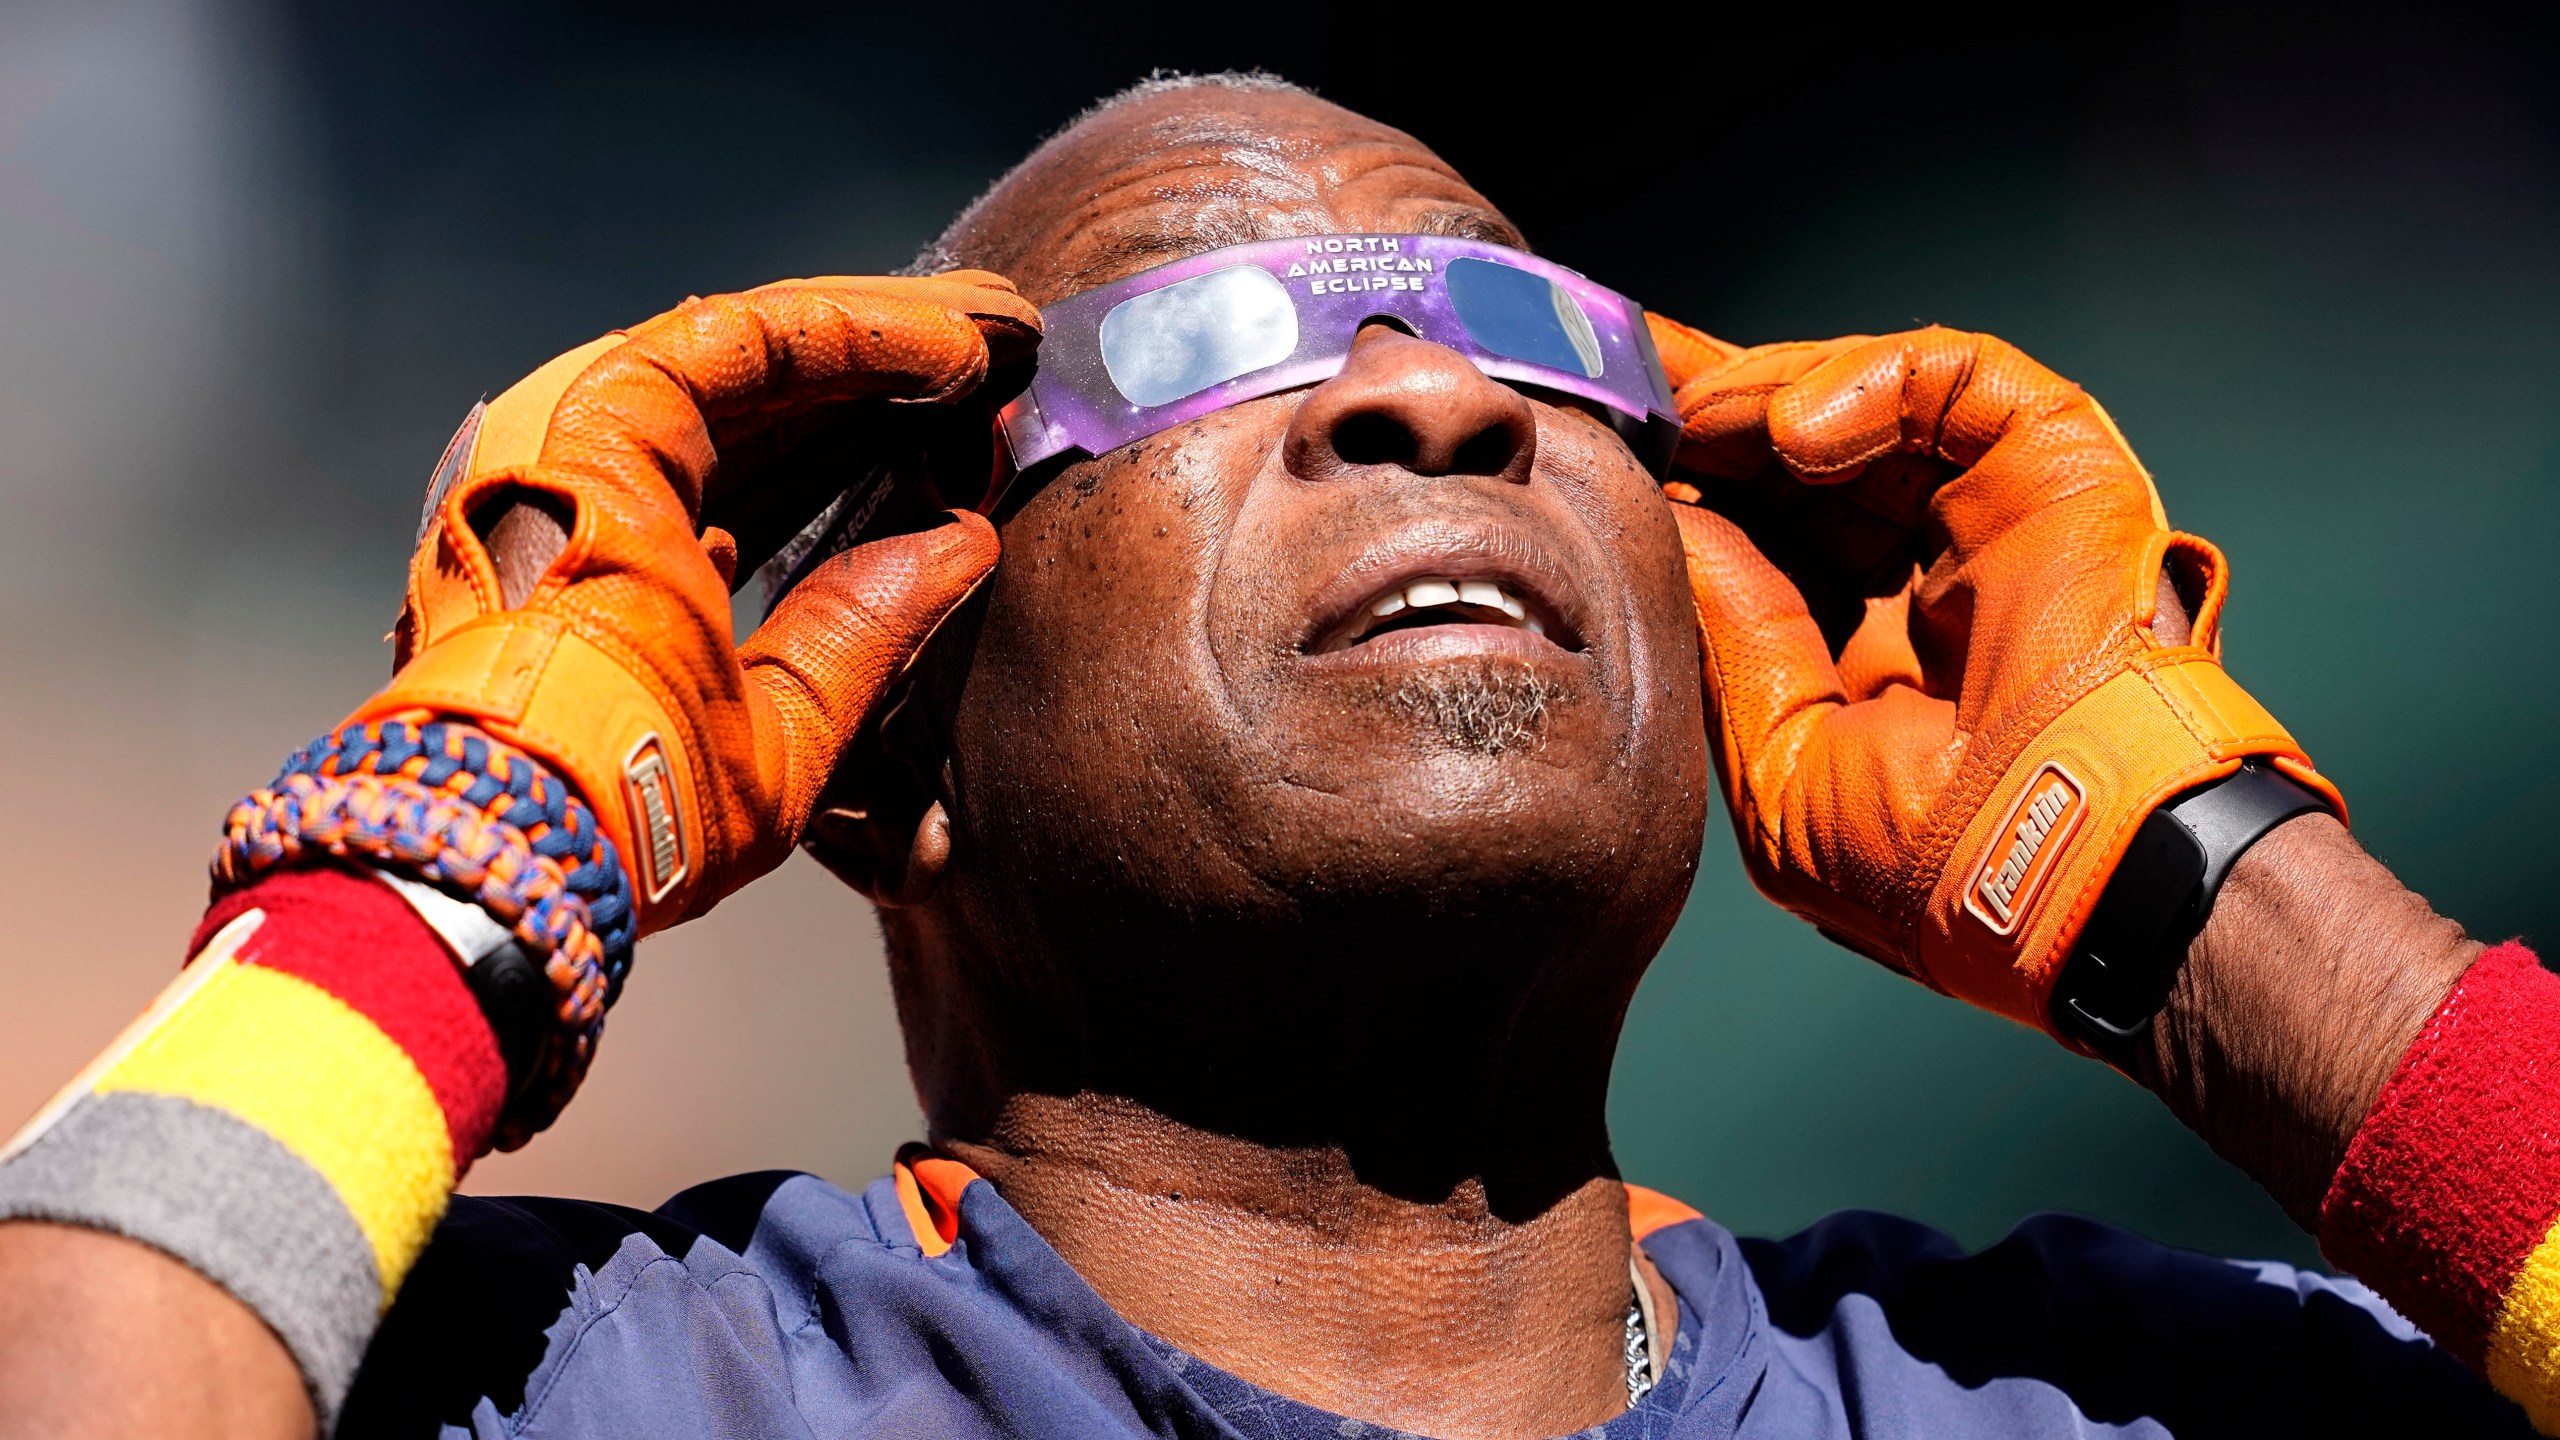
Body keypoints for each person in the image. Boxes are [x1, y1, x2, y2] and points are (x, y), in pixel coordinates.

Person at [0, 71, 2550, 1440]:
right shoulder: (549, 1386)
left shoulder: (2125, 1405)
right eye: (1199, 353)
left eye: (1527, 337)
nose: (1434, 397)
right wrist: (459, 859)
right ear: (891, 738)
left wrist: (2207, 904)